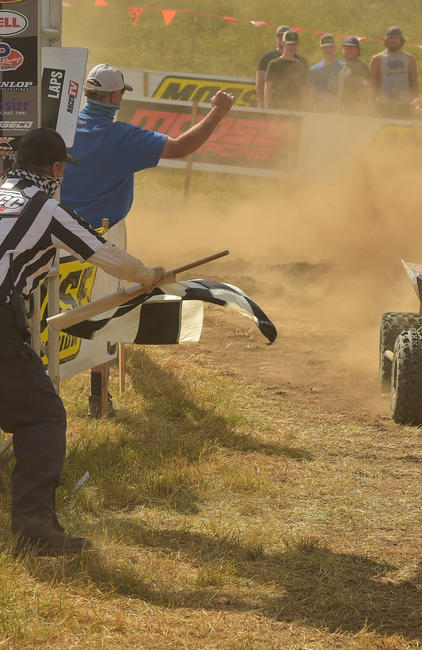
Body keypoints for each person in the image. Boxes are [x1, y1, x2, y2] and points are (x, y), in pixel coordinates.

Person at [0, 128, 166, 556]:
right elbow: (105, 254)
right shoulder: (46, 210)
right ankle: (35, 533)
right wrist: (147, 275)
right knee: (41, 418)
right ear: (57, 169)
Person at [61, 63, 234, 417]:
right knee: (106, 307)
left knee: (55, 302)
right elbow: (182, 146)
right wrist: (217, 113)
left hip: (56, 229)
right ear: (115, 97)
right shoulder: (121, 136)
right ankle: (99, 399)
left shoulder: (61, 128)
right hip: (103, 233)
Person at [369, 26, 418, 119]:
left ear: (401, 40)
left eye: (397, 38)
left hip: (404, 104)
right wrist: (372, 106)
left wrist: (415, 104)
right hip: (384, 104)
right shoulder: (377, 59)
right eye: (391, 38)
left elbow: (414, 83)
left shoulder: (409, 58)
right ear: (386, 39)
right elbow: (372, 85)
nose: (394, 41)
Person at [256, 25, 307, 109]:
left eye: (294, 44)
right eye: (289, 44)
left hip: (295, 106)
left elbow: (303, 88)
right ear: (284, 43)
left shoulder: (300, 64)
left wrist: (304, 107)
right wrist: (265, 105)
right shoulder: (272, 62)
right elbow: (266, 85)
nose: (292, 47)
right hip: (277, 104)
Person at [308, 33, 344, 112]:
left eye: (330, 47)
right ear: (321, 48)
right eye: (325, 48)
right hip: (320, 109)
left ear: (335, 47)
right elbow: (311, 93)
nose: (328, 50)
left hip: (339, 110)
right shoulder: (314, 70)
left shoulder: (343, 68)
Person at [337, 36, 372, 115]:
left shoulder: (360, 68)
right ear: (343, 50)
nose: (349, 51)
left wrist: (362, 113)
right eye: (346, 48)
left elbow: (364, 93)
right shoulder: (345, 67)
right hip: (344, 112)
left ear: (358, 51)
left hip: (355, 113)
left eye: (352, 48)